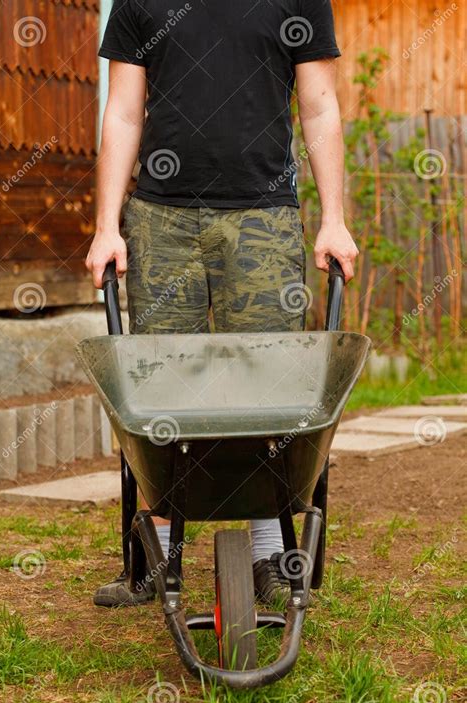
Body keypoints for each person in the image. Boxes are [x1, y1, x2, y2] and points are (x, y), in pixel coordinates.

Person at [86, 0, 359, 607]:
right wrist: (108, 225)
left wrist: (333, 220)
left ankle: (269, 554)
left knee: (269, 382)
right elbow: (125, 113)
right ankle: (160, 558)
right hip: (161, 218)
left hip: (264, 218)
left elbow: (318, 106)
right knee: (161, 383)